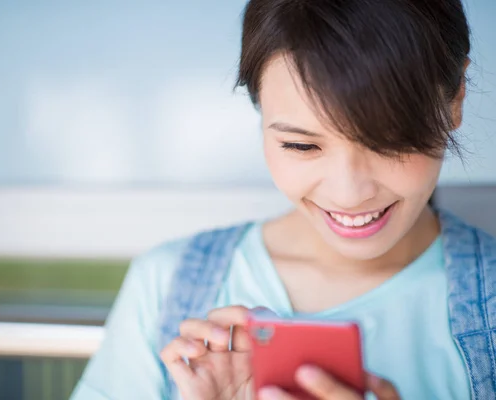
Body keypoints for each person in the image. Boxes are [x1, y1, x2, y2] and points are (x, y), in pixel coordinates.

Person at [71, 0, 496, 399]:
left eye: (391, 142)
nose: (348, 193)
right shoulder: (163, 285)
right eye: (301, 146)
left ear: (455, 98)